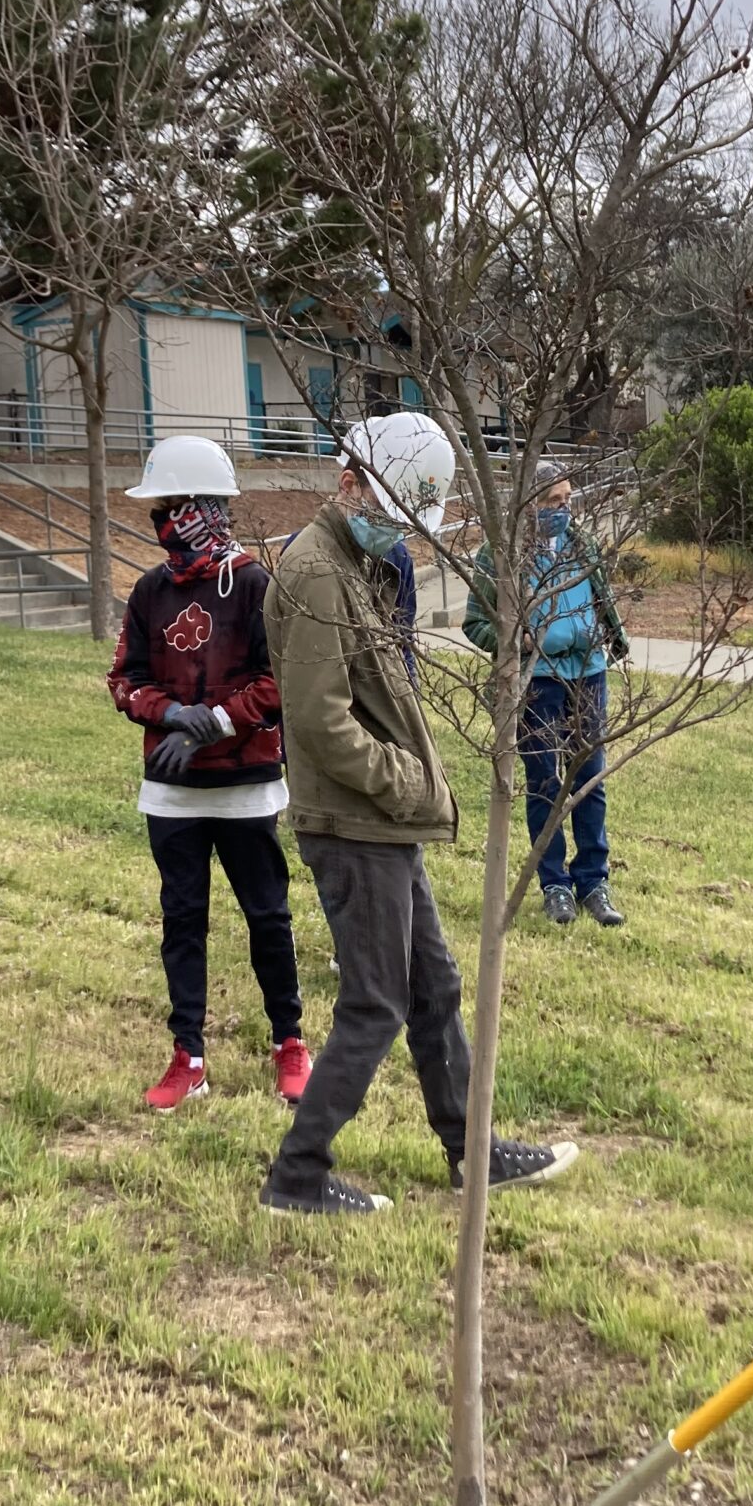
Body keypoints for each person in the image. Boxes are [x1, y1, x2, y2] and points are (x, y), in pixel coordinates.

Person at [259, 413, 578, 1215]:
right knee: (377, 1002)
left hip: (382, 822)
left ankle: (473, 1154)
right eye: (391, 510)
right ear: (348, 481)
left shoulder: (357, 563)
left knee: (433, 989)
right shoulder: (319, 572)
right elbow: (321, 723)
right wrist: (408, 782)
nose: (399, 531)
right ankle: (296, 1177)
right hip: (354, 822)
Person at [108, 435, 308, 1110]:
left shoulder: (255, 586)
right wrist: (172, 717)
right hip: (171, 793)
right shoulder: (148, 592)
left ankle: (290, 1040)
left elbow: (278, 680)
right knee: (182, 919)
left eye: (167, 506)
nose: (161, 520)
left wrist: (215, 724)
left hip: (246, 787)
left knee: (267, 916)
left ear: (198, 508)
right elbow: (124, 679)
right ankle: (187, 1053)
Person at [463, 460, 632, 927]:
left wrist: (605, 634)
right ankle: (554, 883)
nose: (563, 511)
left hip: (588, 677)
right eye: (552, 502)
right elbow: (475, 623)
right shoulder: (498, 557)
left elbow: (605, 603)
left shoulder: (583, 545)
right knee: (544, 783)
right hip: (538, 684)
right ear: (528, 505)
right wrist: (518, 641)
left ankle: (594, 880)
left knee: (590, 779)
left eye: (567, 500)